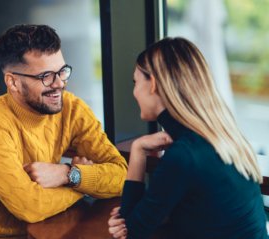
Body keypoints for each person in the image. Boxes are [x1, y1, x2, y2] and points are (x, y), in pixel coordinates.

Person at [0, 24, 127, 238]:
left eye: (62, 71)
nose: (59, 83)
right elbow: (30, 207)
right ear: (13, 81)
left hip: (51, 227)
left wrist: (67, 174)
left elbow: (122, 175)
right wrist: (80, 184)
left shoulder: (72, 109)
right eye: (46, 76)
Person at [108, 37, 268, 239]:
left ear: (153, 85)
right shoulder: (220, 136)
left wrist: (138, 150)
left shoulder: (184, 155)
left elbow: (131, 232)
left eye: (135, 82)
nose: (134, 92)